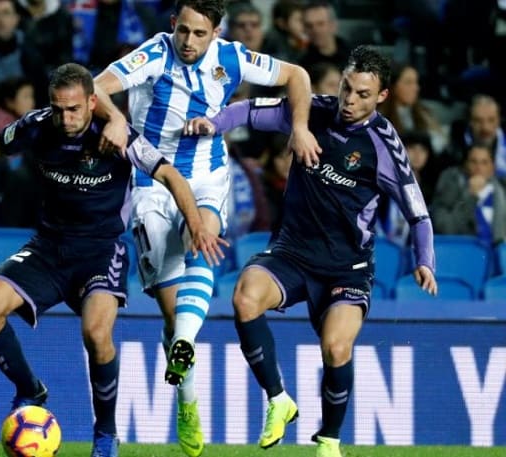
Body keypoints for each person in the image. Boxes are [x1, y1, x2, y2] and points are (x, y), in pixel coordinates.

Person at [0, 62, 226, 457]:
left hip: (100, 250)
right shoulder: (37, 125)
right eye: (58, 108)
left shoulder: (118, 136)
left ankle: (106, 433)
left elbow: (171, 176)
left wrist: (197, 223)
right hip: (49, 247)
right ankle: (30, 390)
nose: (65, 118)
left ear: (92, 102)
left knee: (97, 335)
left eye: (74, 109)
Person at [185, 45, 438, 457]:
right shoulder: (311, 111)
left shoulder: (385, 147)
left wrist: (424, 260)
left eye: (362, 94)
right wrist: (214, 124)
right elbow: (249, 110)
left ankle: (329, 441)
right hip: (292, 254)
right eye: (346, 88)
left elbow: (419, 214)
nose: (350, 101)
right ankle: (278, 400)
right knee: (246, 296)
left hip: (347, 268)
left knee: (337, 347)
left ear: (382, 97)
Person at [92, 1, 321, 455]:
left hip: (208, 175)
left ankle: (181, 348)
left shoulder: (233, 57)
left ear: (216, 32)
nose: (189, 42)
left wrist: (299, 126)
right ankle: (187, 398)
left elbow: (297, 75)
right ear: (173, 25)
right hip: (151, 183)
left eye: (201, 34)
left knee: (205, 239)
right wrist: (117, 118)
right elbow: (95, 86)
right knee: (173, 311)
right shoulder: (154, 54)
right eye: (184, 31)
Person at [431, 143, 506, 245]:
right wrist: (471, 197)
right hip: (463, 253)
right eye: (473, 162)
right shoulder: (450, 187)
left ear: (492, 167)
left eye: (484, 162)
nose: (478, 167)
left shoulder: (502, 192)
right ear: (465, 165)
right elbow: (445, 229)